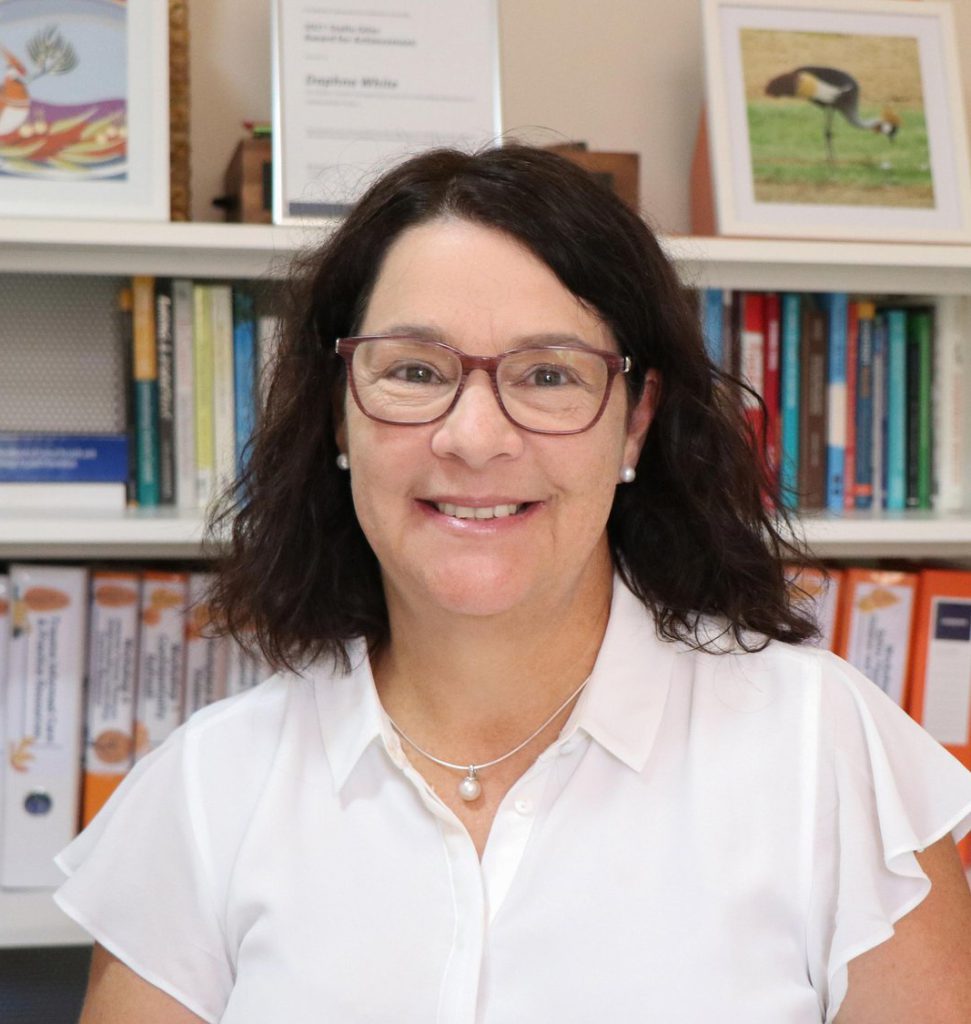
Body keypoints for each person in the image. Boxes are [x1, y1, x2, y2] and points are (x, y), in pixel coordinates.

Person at [57, 145, 971, 1023]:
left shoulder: (820, 749)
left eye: (546, 375)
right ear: (339, 413)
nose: (475, 438)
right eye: (415, 371)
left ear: (635, 422)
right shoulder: (204, 789)